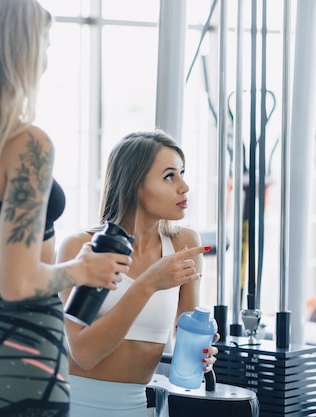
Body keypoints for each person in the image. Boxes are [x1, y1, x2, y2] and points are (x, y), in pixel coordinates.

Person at [0, 1, 130, 415]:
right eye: (45, 43)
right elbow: (15, 283)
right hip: (18, 347)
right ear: (22, 48)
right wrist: (84, 270)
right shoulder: (28, 144)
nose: (47, 59)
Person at [57, 130, 217, 417]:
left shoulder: (184, 244)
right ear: (134, 185)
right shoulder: (80, 248)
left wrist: (201, 351)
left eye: (182, 173)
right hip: (76, 404)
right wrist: (149, 283)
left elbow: (186, 332)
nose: (185, 187)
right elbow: (84, 353)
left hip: (142, 407)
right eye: (170, 176)